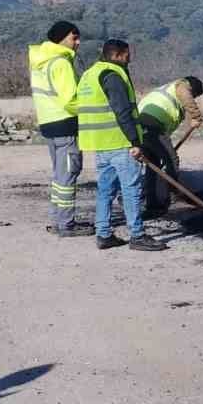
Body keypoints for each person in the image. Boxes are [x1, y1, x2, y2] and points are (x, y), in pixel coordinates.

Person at [75, 39, 166, 252]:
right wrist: (135, 141)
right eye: (127, 55)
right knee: (131, 189)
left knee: (105, 189)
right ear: (116, 55)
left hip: (100, 143)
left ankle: (104, 234)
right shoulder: (112, 75)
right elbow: (122, 111)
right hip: (119, 142)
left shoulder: (89, 74)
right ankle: (137, 235)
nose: (129, 59)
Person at [29, 21, 90, 237]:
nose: (78, 42)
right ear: (61, 38)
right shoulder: (61, 63)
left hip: (49, 124)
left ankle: (57, 220)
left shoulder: (40, 62)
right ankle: (66, 224)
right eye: (74, 37)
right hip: (65, 125)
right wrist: (91, 111)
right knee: (68, 175)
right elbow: (70, 100)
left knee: (59, 175)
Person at [136, 76, 203, 217]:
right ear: (192, 88)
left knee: (153, 164)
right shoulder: (182, 85)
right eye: (195, 95)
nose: (194, 98)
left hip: (142, 125)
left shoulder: (167, 89)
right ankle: (173, 195)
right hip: (151, 123)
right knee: (171, 159)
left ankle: (152, 203)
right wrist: (196, 116)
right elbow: (185, 96)